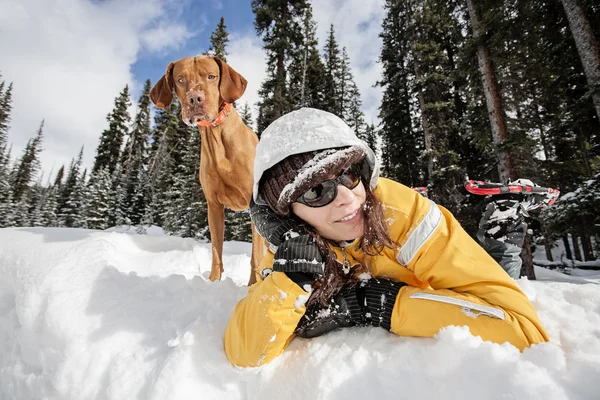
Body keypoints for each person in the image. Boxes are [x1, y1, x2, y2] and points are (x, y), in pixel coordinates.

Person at [224, 108, 549, 368]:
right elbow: (246, 351)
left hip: (446, 280)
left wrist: (376, 303)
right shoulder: (291, 245)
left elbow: (522, 328)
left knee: (503, 270)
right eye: (316, 191)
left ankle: (504, 231)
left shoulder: (406, 216)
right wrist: (290, 279)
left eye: (349, 175)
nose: (347, 198)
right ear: (288, 213)